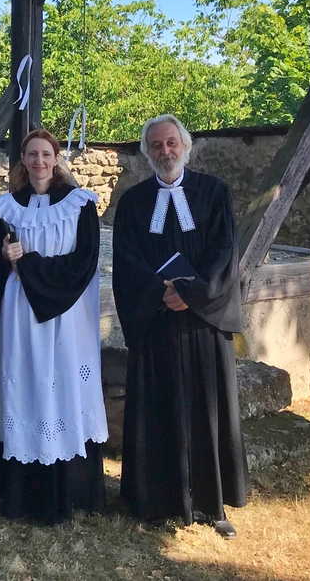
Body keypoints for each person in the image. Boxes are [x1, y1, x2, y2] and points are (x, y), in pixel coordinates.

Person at [112, 115, 249, 539]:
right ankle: (154, 500)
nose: (165, 152)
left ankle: (212, 504)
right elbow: (126, 260)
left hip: (201, 323)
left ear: (186, 147)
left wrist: (190, 292)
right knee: (157, 409)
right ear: (146, 152)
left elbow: (224, 251)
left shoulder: (214, 193)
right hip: (155, 325)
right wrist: (160, 293)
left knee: (206, 408)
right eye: (156, 146)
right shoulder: (133, 202)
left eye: (172, 143)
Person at [0, 129, 108, 524]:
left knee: (62, 387)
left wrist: (30, 265)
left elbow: (84, 262)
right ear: (22, 159)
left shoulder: (80, 204)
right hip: (19, 318)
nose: (38, 161)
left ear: (56, 159)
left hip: (65, 317)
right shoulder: (5, 208)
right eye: (31, 154)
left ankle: (69, 490)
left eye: (45, 154)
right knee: (23, 386)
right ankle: (17, 494)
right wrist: (3, 256)